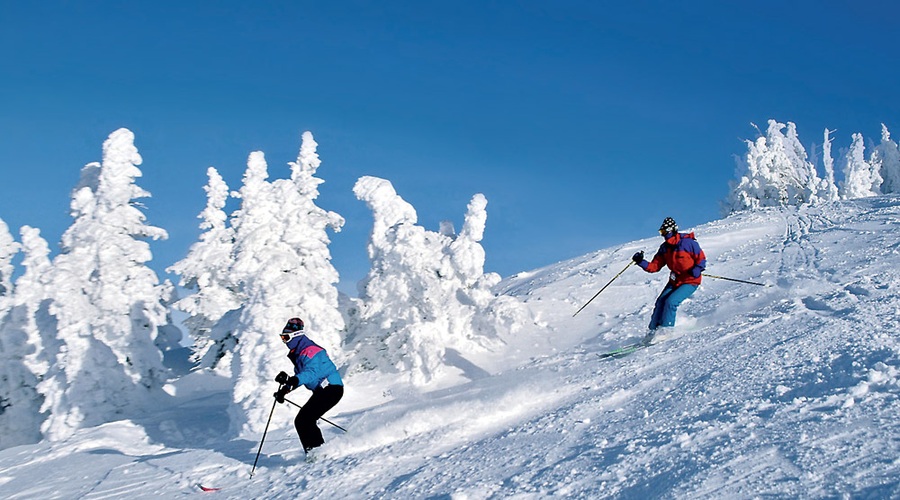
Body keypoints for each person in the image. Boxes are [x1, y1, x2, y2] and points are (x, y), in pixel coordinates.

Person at [273, 317, 344, 455]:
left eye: (285, 337)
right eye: (282, 337)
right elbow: (300, 376)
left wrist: (292, 380)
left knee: (304, 420)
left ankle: (318, 453)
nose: (284, 341)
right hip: (323, 391)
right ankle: (316, 453)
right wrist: (285, 390)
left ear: (295, 336)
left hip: (332, 389)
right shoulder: (300, 353)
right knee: (303, 420)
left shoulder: (310, 350)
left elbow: (311, 373)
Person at [632, 217, 707, 337]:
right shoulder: (665, 248)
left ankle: (666, 331)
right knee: (660, 301)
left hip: (690, 280)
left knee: (671, 302)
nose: (663, 235)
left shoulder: (688, 243)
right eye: (661, 233)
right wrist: (641, 261)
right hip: (675, 280)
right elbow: (654, 267)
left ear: (672, 230)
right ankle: (653, 332)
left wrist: (697, 269)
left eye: (664, 232)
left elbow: (701, 259)